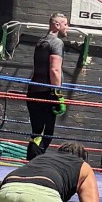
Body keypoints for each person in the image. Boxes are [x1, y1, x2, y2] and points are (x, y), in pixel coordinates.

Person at [25, 12, 69, 160]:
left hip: (33, 91)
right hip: (46, 93)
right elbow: (55, 69)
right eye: (65, 24)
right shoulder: (56, 42)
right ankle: (34, 164)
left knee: (37, 132)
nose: (67, 27)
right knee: (46, 133)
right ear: (57, 25)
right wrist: (57, 94)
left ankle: (30, 163)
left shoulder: (41, 42)